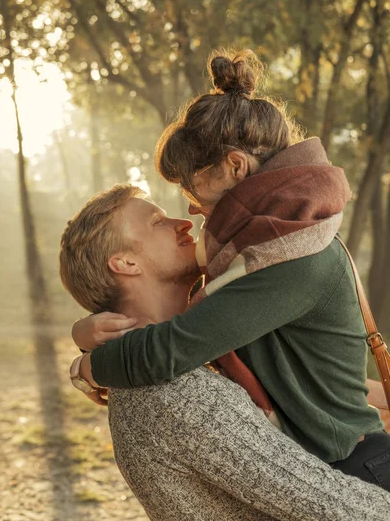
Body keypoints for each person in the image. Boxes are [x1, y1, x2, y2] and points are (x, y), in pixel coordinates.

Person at [72, 49, 390, 489]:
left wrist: (86, 368)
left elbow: (172, 347)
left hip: (358, 474)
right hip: (340, 466)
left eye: (191, 183)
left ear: (234, 166)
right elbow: (161, 289)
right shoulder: (268, 238)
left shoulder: (290, 254)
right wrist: (87, 331)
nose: (188, 205)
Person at [60, 184, 390, 520]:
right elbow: (338, 506)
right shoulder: (176, 393)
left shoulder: (185, 360)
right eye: (156, 222)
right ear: (126, 262)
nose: (184, 222)